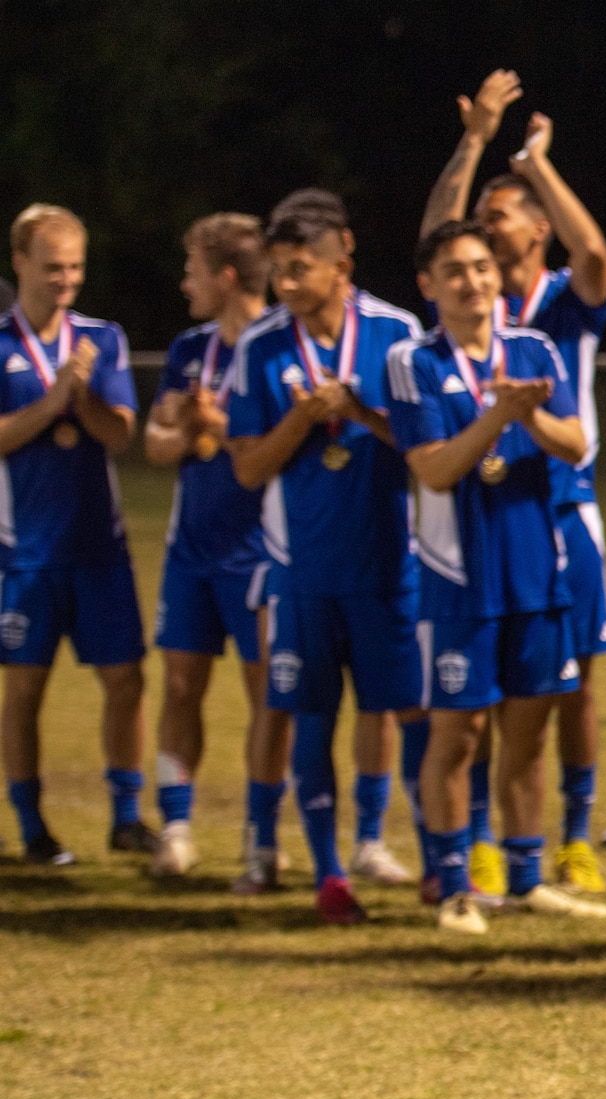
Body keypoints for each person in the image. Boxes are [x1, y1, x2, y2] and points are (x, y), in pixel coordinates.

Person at [421, 69, 606, 899]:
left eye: (502, 217)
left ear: (536, 227)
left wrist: (535, 166)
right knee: (474, 700)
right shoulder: (466, 302)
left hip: (568, 505)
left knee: (569, 683)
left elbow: (597, 254)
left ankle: (572, 838)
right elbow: (438, 233)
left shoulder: (559, 306)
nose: (486, 232)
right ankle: (482, 851)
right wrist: (475, 139)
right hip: (487, 506)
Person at [387, 220, 606, 933]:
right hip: (459, 579)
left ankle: (524, 876)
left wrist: (531, 415)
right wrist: (497, 415)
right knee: (456, 735)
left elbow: (575, 445)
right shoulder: (411, 361)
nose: (473, 282)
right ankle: (454, 882)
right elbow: (434, 468)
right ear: (429, 286)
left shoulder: (534, 348)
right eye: (455, 271)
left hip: (538, 574)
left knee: (530, 733)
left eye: (482, 268)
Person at [226, 191, 427, 924]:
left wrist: (361, 414)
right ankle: (327, 873)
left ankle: (429, 861)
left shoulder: (399, 335)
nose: (284, 285)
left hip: (386, 564)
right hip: (302, 569)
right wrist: (302, 419)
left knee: (409, 710)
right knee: (310, 719)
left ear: (343, 257)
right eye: (277, 272)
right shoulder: (261, 347)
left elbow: (423, 447)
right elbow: (248, 468)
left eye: (298, 269)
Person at [0, 204, 151, 863]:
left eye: (75, 267)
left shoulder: (103, 339)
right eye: (53, 266)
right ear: (20, 264)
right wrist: (53, 398)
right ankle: (32, 827)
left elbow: (120, 433)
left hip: (99, 549)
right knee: (24, 690)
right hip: (24, 554)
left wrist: (83, 398)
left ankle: (126, 815)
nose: (65, 279)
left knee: (126, 681)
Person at [142, 214, 290, 882]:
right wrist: (190, 428)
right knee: (178, 688)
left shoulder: (280, 348)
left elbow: (280, 440)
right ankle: (176, 825)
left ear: (225, 277)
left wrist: (215, 424)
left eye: (193, 271)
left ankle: (263, 833)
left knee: (268, 698)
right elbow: (157, 444)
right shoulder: (189, 350)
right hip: (191, 550)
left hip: (258, 550)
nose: (183, 284)